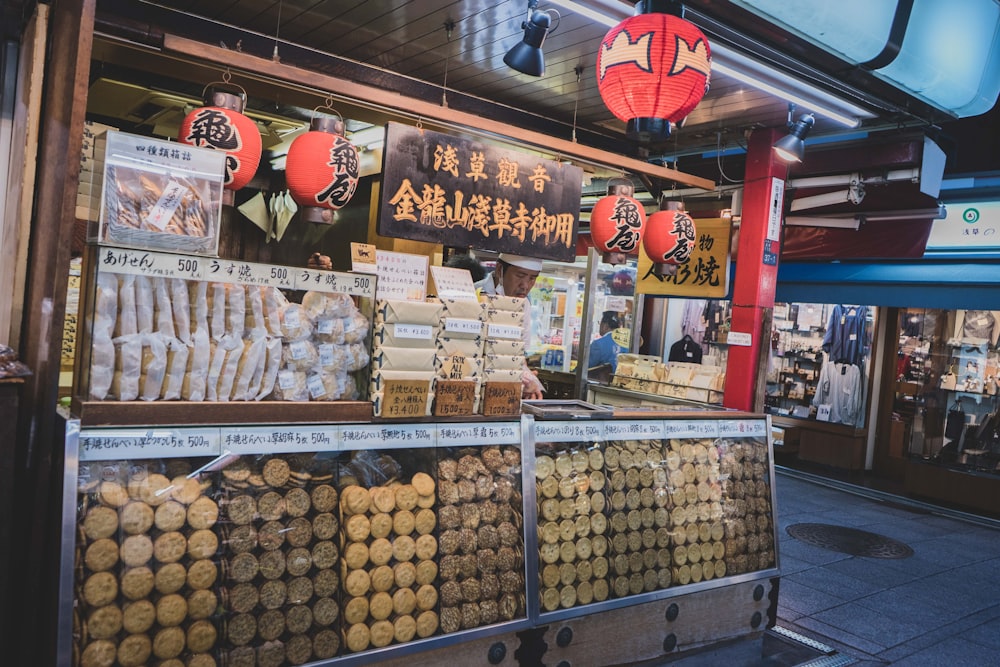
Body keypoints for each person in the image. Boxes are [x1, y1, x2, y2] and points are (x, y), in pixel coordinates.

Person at [474, 253, 546, 400]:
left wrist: (529, 382)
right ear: (500, 269)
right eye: (520, 275)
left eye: (532, 278)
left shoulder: (524, 304)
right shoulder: (472, 295)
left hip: (502, 393)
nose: (525, 286)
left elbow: (518, 355)